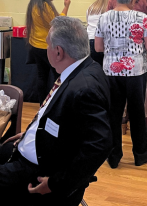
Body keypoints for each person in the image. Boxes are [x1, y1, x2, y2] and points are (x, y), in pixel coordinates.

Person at [0, 16, 112, 205]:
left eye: (47, 45)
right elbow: (61, 120)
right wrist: (31, 133)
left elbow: (99, 146)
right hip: (40, 150)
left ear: (58, 52)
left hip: (39, 170)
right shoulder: (83, 69)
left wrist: (56, 183)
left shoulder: (83, 88)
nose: (46, 49)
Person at [95, 0, 147, 168]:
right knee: (137, 113)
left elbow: (98, 47)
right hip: (135, 71)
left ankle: (113, 157)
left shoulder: (103, 18)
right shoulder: (141, 18)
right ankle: (140, 155)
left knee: (113, 114)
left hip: (111, 71)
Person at [26, 0, 71, 104]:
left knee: (42, 76)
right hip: (46, 47)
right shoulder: (44, 6)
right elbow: (58, 23)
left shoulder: (34, 5)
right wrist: (66, 6)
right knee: (57, 75)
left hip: (35, 46)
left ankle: (43, 103)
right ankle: (56, 103)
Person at [86, 0, 116, 65]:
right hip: (103, 42)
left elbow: (88, 23)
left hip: (89, 41)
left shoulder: (91, 7)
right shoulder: (112, 9)